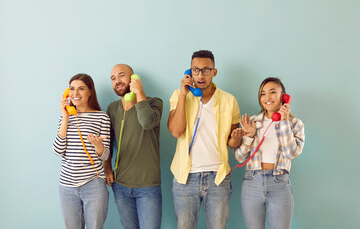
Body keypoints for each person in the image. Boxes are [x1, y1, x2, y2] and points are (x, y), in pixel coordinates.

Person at [168, 50, 240, 229]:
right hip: (185, 178)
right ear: (189, 72)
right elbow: (176, 131)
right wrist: (184, 95)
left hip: (218, 178)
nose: (200, 75)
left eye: (206, 70)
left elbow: (232, 143)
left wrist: (238, 139)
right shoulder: (179, 95)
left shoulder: (229, 100)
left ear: (214, 72)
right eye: (195, 70)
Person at [230, 77, 305, 229]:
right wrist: (250, 137)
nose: (267, 97)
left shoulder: (295, 124)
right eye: (263, 94)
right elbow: (239, 158)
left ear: (284, 96)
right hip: (252, 182)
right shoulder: (252, 122)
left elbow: (291, 152)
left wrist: (283, 122)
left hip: (279, 183)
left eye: (272, 92)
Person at [104, 64, 163, 229]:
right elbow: (107, 141)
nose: (117, 81)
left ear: (133, 77)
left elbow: (147, 122)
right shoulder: (112, 108)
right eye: (113, 78)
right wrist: (107, 167)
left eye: (122, 76)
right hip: (120, 185)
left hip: (147, 186)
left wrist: (139, 93)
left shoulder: (154, 102)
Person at [53, 73, 111, 229]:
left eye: (81, 89)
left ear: (90, 92)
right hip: (67, 186)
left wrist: (98, 146)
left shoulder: (102, 117)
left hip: (93, 184)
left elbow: (105, 156)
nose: (75, 93)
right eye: (72, 89)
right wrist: (66, 116)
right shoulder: (64, 118)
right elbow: (58, 150)